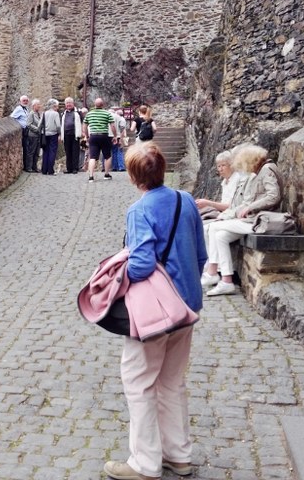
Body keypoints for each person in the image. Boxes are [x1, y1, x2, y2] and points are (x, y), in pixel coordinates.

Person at [103, 140, 205, 480]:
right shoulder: (186, 200)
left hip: (155, 311)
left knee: (139, 381)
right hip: (187, 304)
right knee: (172, 381)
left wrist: (121, 276)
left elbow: (142, 263)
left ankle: (145, 464)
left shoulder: (139, 210)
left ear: (134, 178)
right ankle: (179, 455)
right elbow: (201, 254)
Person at [202, 145, 283, 297]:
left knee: (213, 227)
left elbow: (274, 196)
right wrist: (241, 209)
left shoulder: (267, 170)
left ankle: (212, 272)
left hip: (262, 222)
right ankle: (226, 280)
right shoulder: (261, 171)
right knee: (220, 236)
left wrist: (249, 207)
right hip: (254, 219)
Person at [195, 150, 246, 220]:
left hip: (234, 215)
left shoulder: (238, 179)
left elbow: (233, 206)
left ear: (231, 165)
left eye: (223, 165)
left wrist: (208, 203)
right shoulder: (225, 182)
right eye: (218, 166)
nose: (220, 169)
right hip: (225, 214)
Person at [84, 98, 117, 182]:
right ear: (103, 105)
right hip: (104, 136)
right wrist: (115, 136)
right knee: (107, 156)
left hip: (93, 136)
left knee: (92, 157)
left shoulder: (89, 114)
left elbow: (84, 126)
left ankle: (91, 176)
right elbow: (113, 126)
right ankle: (106, 174)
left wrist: (87, 136)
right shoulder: (107, 113)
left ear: (94, 104)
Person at [59, 98, 83, 174]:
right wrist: (60, 135)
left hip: (75, 134)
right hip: (66, 135)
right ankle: (69, 168)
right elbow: (61, 124)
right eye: (67, 103)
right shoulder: (63, 113)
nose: (68, 104)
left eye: (70, 103)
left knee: (75, 152)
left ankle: (75, 168)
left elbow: (82, 122)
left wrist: (82, 132)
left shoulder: (78, 112)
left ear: (73, 104)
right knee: (68, 152)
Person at [10, 95, 32, 172]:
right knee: (26, 149)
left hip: (27, 131)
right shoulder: (19, 109)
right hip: (23, 131)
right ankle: (27, 167)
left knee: (27, 149)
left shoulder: (25, 109)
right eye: (24, 101)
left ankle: (27, 166)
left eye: (26, 101)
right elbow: (12, 118)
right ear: (20, 101)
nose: (25, 102)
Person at [40, 99, 62, 175]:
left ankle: (44, 169)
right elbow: (58, 125)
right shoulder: (55, 114)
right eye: (57, 106)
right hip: (53, 134)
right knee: (52, 152)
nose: (57, 108)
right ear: (54, 106)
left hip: (45, 134)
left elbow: (40, 124)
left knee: (45, 152)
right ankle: (50, 170)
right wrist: (59, 133)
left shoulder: (44, 113)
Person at [26, 99, 44, 172]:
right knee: (31, 152)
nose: (39, 106)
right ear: (34, 106)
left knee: (37, 152)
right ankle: (29, 167)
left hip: (38, 136)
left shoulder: (38, 114)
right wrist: (37, 129)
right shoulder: (31, 114)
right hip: (33, 135)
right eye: (38, 105)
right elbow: (28, 124)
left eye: (39, 104)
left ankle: (34, 167)